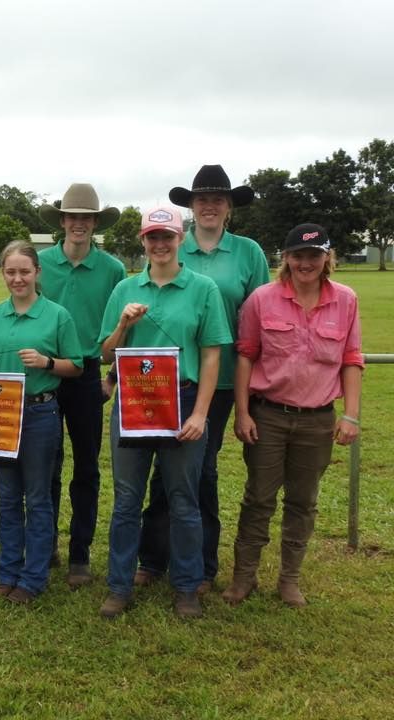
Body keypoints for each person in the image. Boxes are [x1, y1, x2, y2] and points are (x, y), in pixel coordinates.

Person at [135, 165, 269, 593]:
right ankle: (153, 558)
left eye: (218, 199)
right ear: (191, 207)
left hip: (224, 379)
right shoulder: (174, 245)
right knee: (163, 470)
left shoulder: (248, 252)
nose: (209, 206)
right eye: (201, 200)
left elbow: (259, 316)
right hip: (165, 380)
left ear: (229, 207)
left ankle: (203, 565)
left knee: (201, 470)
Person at [98, 207, 231, 619]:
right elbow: (105, 354)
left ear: (180, 239)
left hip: (184, 400)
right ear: (143, 241)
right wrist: (123, 324)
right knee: (126, 500)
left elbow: (212, 356)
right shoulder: (125, 289)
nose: (160, 244)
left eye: (167, 237)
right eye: (152, 237)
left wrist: (201, 414)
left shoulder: (203, 288)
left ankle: (187, 586)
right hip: (134, 401)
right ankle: (119, 586)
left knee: (183, 499)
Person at [223, 223, 363, 608]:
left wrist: (351, 415)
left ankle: (289, 580)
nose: (305, 263)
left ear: (327, 258)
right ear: (285, 258)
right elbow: (246, 356)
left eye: (314, 255)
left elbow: (351, 359)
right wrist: (242, 412)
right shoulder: (262, 299)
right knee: (259, 498)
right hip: (268, 415)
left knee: (303, 501)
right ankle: (244, 577)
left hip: (317, 420)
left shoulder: (346, 300)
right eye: (298, 255)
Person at [0, 241, 83, 604]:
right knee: (8, 497)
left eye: (24, 271)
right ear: (3, 274)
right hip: (0, 413)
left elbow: (76, 365)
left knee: (38, 498)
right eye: (10, 272)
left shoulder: (57, 315)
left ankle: (33, 577)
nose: (18, 278)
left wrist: (46, 362)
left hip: (40, 413)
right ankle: (7, 571)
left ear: (37, 272)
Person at [37, 183, 125, 589]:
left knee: (86, 467)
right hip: (46, 372)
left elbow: (123, 333)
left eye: (86, 218)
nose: (79, 224)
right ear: (62, 221)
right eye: (72, 216)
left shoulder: (112, 270)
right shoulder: (40, 264)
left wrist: (111, 378)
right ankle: (46, 545)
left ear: (95, 223)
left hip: (88, 373)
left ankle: (80, 553)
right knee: (46, 465)